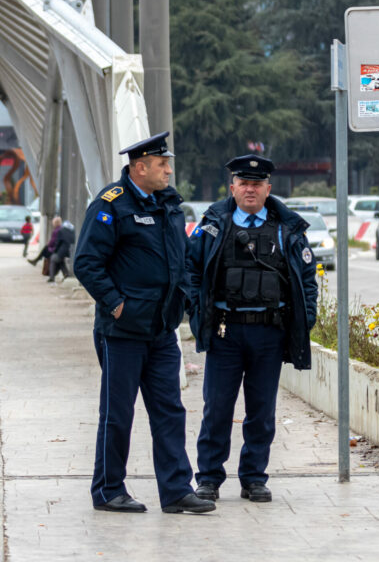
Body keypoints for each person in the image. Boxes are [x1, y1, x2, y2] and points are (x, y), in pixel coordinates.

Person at [73, 131, 214, 515]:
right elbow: (86, 263)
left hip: (161, 329)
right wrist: (117, 304)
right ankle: (108, 490)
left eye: (167, 163)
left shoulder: (170, 206)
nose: (169, 170)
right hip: (121, 332)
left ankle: (176, 491)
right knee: (118, 413)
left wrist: (183, 298)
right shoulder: (111, 205)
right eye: (162, 164)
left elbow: (183, 259)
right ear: (140, 167)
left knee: (169, 410)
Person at [186, 155, 317, 504]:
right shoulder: (214, 225)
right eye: (243, 183)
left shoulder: (285, 229)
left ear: (268, 189)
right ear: (232, 187)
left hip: (268, 334)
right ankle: (209, 479)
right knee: (217, 408)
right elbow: (191, 271)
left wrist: (308, 317)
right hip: (225, 333)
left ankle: (254, 478)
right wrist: (197, 313)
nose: (250, 189)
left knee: (262, 412)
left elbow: (306, 280)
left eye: (257, 184)